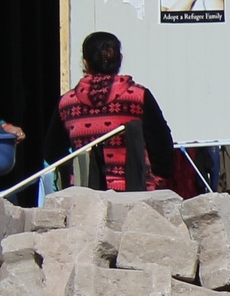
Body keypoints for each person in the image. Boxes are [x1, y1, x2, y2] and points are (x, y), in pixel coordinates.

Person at [57, 32, 175, 192]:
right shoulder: (138, 96)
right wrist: (157, 179)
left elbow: (54, 152)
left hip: (85, 196)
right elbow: (161, 143)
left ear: (85, 62)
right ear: (119, 59)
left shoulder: (66, 103)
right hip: (134, 192)